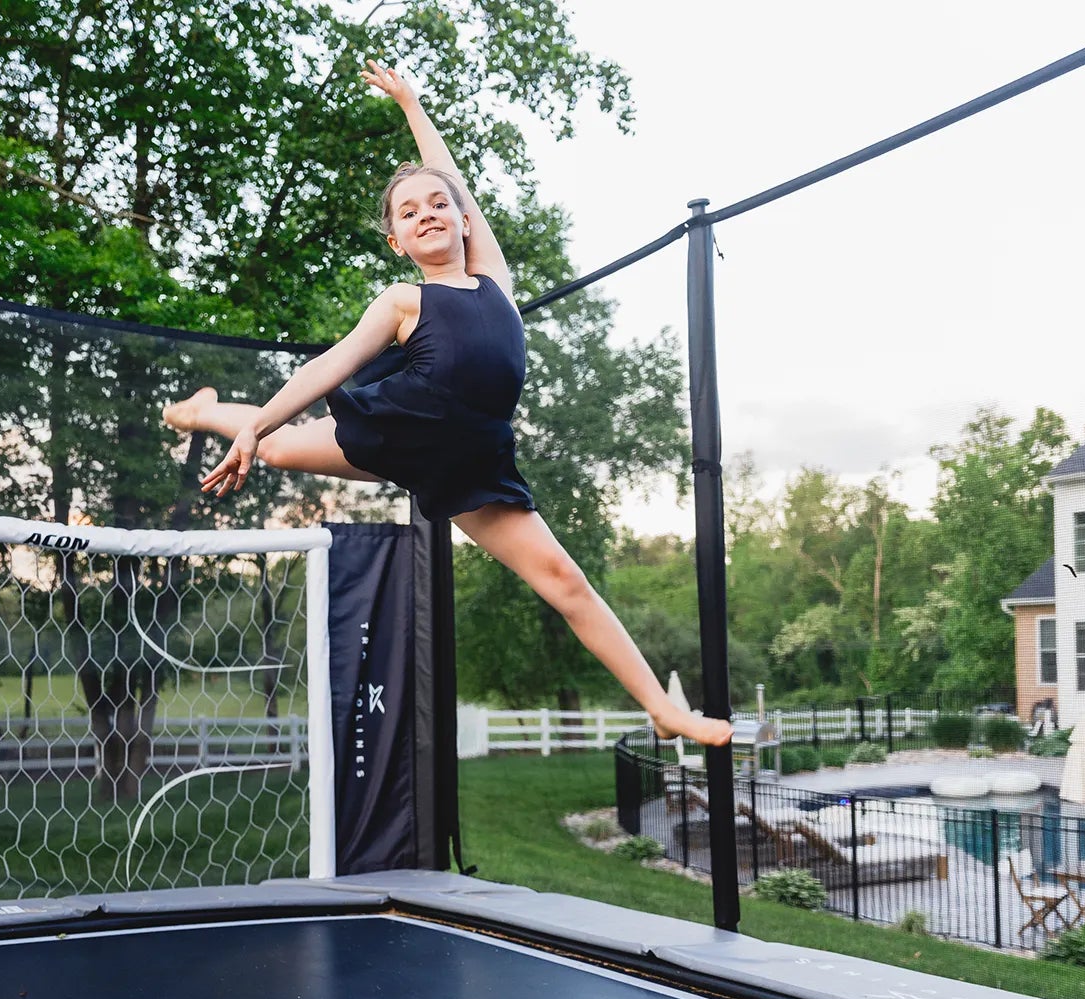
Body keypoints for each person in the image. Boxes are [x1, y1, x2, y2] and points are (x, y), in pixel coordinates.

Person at [164, 61, 731, 747]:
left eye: (439, 206)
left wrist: (410, 103)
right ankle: (202, 412)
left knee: (565, 580)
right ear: (396, 241)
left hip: (470, 467)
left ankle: (663, 709)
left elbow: (450, 174)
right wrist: (255, 426)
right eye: (409, 212)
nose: (428, 213)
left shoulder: (493, 279)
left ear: (463, 221)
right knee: (280, 443)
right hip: (397, 431)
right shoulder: (404, 301)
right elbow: (330, 365)